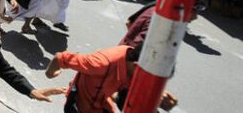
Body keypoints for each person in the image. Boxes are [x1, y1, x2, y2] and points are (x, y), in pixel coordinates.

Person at [45, 44, 177, 113]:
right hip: (79, 107)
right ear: (136, 66)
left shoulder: (136, 64)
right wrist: (50, 73)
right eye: (152, 78)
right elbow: (60, 57)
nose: (150, 83)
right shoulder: (101, 63)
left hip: (103, 105)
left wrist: (156, 98)